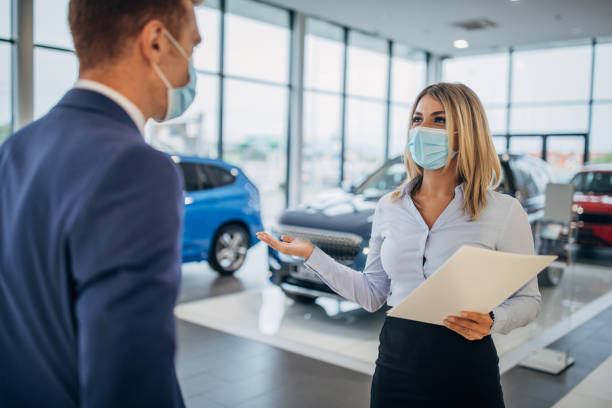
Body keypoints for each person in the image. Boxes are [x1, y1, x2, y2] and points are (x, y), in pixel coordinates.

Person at [257, 82, 542, 407]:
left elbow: (529, 300)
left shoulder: (502, 211)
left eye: (439, 120)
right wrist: (311, 254)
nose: (422, 129)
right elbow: (372, 294)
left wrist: (494, 320)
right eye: (417, 119)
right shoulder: (389, 206)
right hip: (397, 365)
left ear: (467, 131)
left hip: (467, 368)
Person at [0, 1, 202, 407]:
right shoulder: (137, 168)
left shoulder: (15, 150)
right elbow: (130, 380)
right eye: (192, 47)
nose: (192, 68)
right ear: (157, 42)